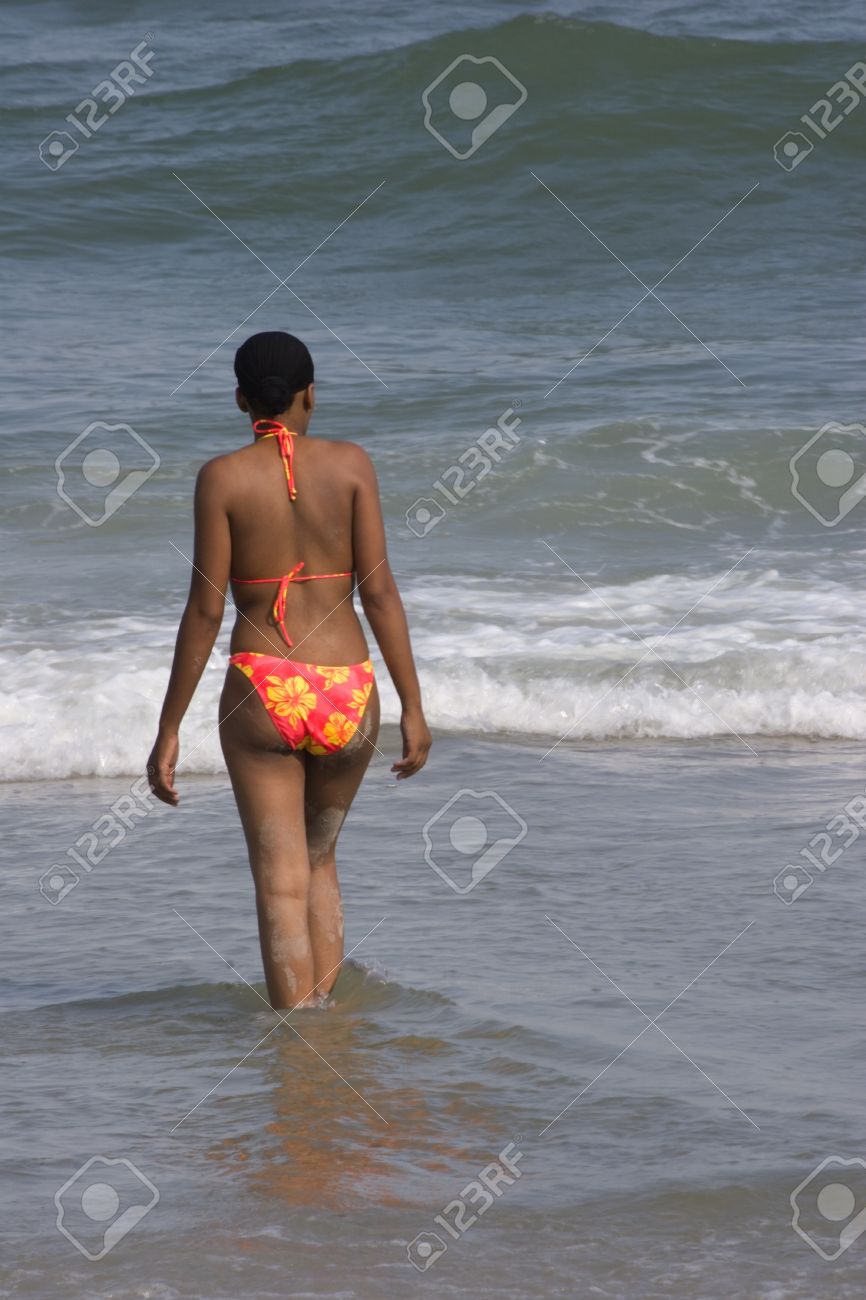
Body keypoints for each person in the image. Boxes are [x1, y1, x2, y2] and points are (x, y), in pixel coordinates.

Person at [147, 330, 431, 1009]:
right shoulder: (352, 465)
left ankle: (298, 1048)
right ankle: (328, 1029)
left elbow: (203, 613)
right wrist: (413, 708)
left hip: (261, 691)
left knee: (280, 880)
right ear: (311, 395)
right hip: (349, 691)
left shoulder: (221, 478)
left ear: (241, 399)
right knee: (320, 858)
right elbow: (381, 593)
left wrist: (169, 728)